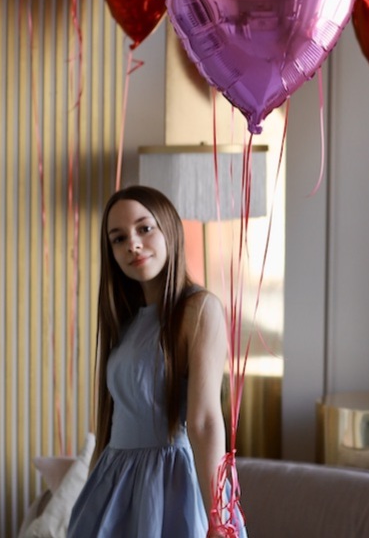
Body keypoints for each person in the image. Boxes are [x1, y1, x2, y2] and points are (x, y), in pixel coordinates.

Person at [68, 185, 243, 537]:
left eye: (144, 228)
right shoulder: (128, 321)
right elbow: (113, 419)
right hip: (114, 482)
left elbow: (205, 421)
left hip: (168, 483)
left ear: (169, 229)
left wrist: (217, 517)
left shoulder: (198, 309)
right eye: (118, 238)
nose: (132, 244)